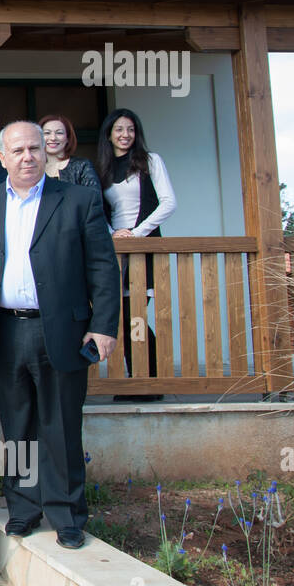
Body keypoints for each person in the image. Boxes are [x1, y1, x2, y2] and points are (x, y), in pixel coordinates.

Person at [0, 122, 120, 549]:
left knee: (61, 425)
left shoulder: (78, 200)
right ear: (2, 155)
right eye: (18, 150)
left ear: (46, 153)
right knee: (17, 427)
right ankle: (24, 508)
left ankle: (66, 514)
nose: (28, 156)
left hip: (62, 331)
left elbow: (103, 267)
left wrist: (104, 325)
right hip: (5, 332)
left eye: (35, 148)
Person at [96, 108, 175, 398]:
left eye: (130, 129)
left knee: (136, 316)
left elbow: (168, 203)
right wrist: (111, 234)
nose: (125, 135)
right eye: (119, 129)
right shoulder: (103, 169)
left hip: (141, 246)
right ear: (109, 134)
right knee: (120, 316)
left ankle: (149, 381)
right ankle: (135, 380)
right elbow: (100, 211)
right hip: (114, 250)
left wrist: (137, 234)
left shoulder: (150, 161)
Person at [39, 114, 100, 189]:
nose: (53, 138)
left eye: (59, 133)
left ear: (68, 138)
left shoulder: (82, 166)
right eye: (47, 133)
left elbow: (94, 196)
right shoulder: (32, 167)